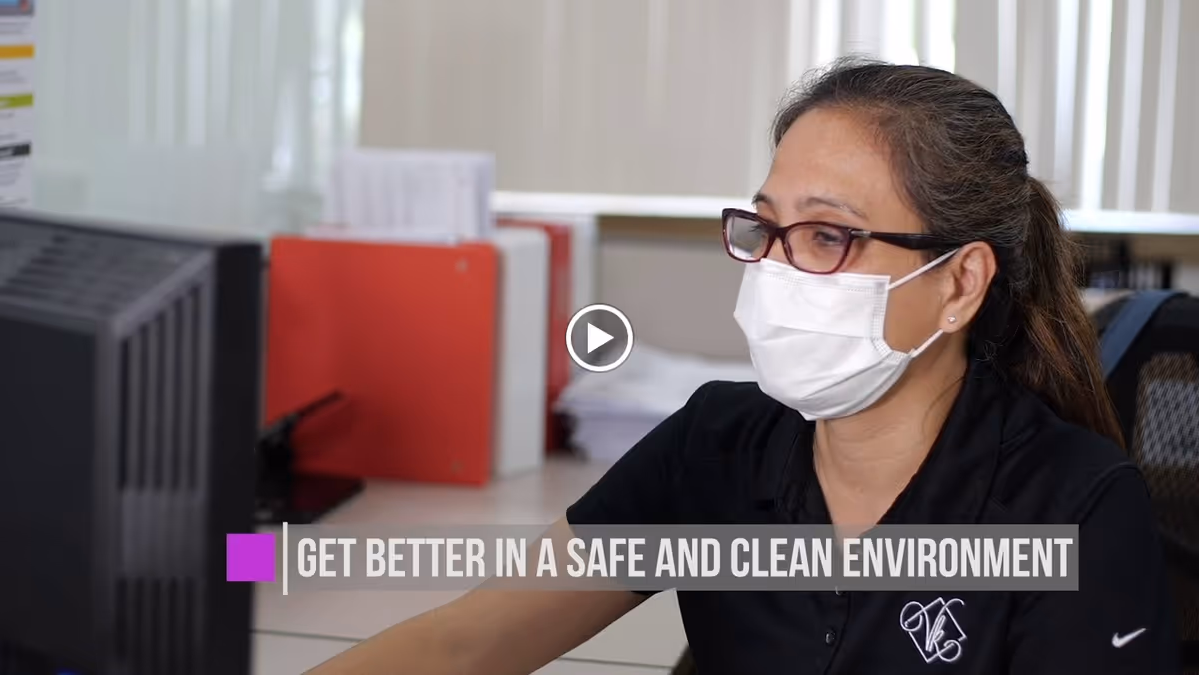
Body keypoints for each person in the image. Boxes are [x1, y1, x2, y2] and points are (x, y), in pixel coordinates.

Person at [306, 59, 1180, 674]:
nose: (776, 269)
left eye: (828, 236)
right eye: (767, 227)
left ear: (959, 283)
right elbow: (468, 642)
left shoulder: (1074, 504)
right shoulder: (715, 445)